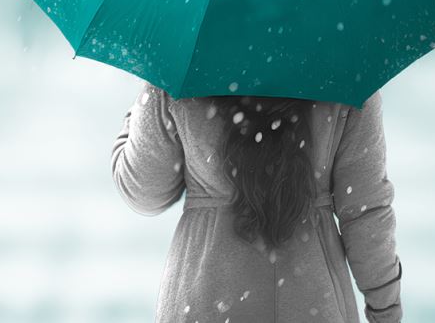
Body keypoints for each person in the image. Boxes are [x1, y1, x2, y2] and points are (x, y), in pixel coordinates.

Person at [112, 85, 402, 323]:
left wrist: (144, 100)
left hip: (206, 299)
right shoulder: (346, 72)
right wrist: (385, 312)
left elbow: (144, 192)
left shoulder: (182, 68)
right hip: (313, 299)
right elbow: (366, 215)